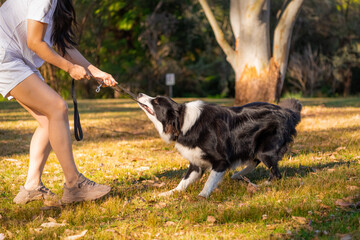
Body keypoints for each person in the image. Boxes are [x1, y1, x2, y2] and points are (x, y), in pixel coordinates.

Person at [0, 0, 117, 204]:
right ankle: (74, 185)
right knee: (56, 107)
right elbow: (34, 42)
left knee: (49, 121)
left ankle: (31, 187)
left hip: (17, 58)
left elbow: (63, 46)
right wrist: (69, 68)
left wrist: (96, 72)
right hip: (6, 58)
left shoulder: (57, 3)